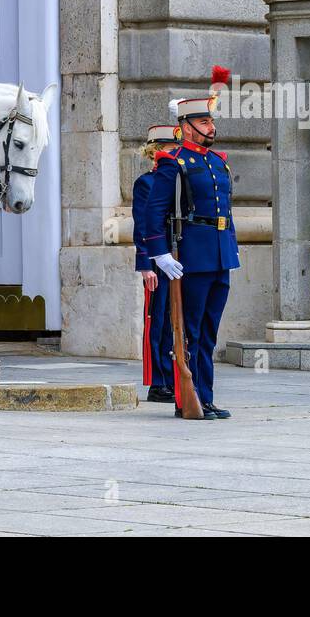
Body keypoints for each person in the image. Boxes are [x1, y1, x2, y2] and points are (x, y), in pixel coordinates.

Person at [141, 66, 237, 419]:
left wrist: (232, 245)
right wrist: (160, 253)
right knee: (191, 330)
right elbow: (155, 211)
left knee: (209, 331)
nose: (212, 128)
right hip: (192, 255)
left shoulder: (217, 162)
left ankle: (207, 397)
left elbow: (226, 208)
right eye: (205, 123)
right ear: (186, 128)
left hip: (220, 254)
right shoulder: (173, 161)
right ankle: (187, 398)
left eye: (211, 122)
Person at [133, 124, 179, 403]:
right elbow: (142, 225)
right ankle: (158, 382)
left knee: (177, 320)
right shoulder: (146, 183)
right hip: (156, 261)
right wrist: (146, 264)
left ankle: (175, 375)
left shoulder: (178, 183)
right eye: (170, 150)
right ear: (156, 152)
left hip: (179, 259)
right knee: (158, 320)